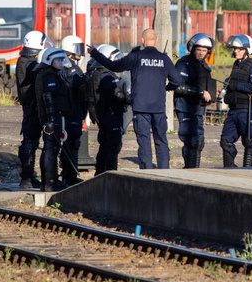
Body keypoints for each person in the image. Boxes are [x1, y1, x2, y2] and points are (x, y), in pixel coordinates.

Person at [88, 28, 182, 169]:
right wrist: (167, 88)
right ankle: (164, 172)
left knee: (144, 141)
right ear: (156, 40)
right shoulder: (164, 59)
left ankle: (147, 172)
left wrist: (95, 53)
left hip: (140, 107)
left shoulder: (136, 56)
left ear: (142, 40)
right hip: (158, 108)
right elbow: (177, 80)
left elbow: (115, 66)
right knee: (161, 140)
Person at [15, 30, 53, 190]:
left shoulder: (26, 60)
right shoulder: (29, 62)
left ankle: (29, 177)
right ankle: (26, 178)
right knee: (30, 143)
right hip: (32, 108)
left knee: (32, 142)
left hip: (32, 107)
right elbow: (38, 72)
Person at [219, 34, 252, 168]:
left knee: (248, 141)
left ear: (247, 50)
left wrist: (236, 86)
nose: (236, 51)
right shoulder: (236, 66)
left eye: (240, 49)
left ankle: (248, 170)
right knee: (225, 141)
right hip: (233, 111)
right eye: (235, 49)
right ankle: (230, 169)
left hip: (247, 110)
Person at [172, 33, 216, 168]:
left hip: (198, 108)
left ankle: (194, 169)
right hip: (185, 107)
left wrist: (213, 94)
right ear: (193, 49)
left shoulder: (204, 67)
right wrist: (201, 92)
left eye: (204, 51)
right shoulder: (183, 64)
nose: (201, 53)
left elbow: (205, 86)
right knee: (190, 139)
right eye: (199, 50)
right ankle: (189, 168)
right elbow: (178, 87)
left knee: (198, 141)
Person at [86, 44, 130, 175]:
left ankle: (100, 174)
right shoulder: (107, 76)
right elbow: (116, 94)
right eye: (115, 58)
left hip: (105, 115)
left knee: (105, 146)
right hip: (111, 115)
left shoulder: (99, 74)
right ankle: (110, 175)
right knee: (112, 147)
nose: (118, 60)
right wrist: (130, 98)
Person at [34, 47, 71, 192]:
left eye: (62, 59)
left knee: (50, 149)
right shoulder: (49, 77)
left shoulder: (50, 75)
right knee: (51, 150)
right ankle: (50, 182)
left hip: (54, 117)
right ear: (49, 60)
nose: (61, 62)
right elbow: (48, 98)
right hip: (52, 118)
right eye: (58, 60)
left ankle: (49, 182)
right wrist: (50, 121)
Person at [59, 35, 88, 186]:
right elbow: (74, 83)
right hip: (72, 109)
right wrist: (86, 79)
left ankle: (70, 174)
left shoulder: (68, 63)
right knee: (72, 142)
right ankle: (69, 176)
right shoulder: (67, 65)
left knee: (72, 142)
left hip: (74, 108)